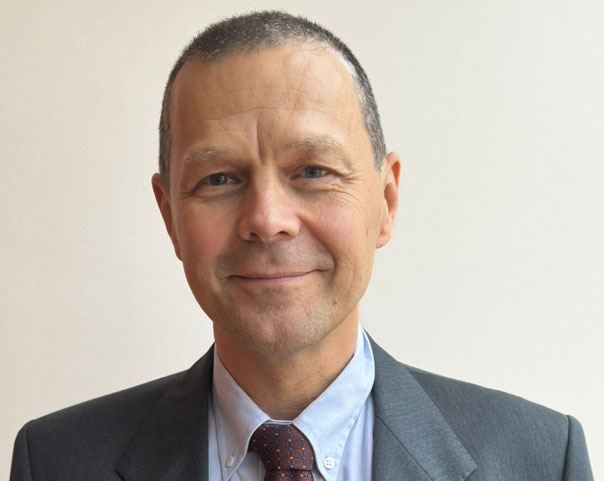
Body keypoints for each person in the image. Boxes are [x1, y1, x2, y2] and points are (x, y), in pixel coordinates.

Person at [10, 11, 593, 481]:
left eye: (313, 171)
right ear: (170, 219)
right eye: (219, 178)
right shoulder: (56, 462)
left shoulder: (540, 460)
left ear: (386, 201)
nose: (267, 220)